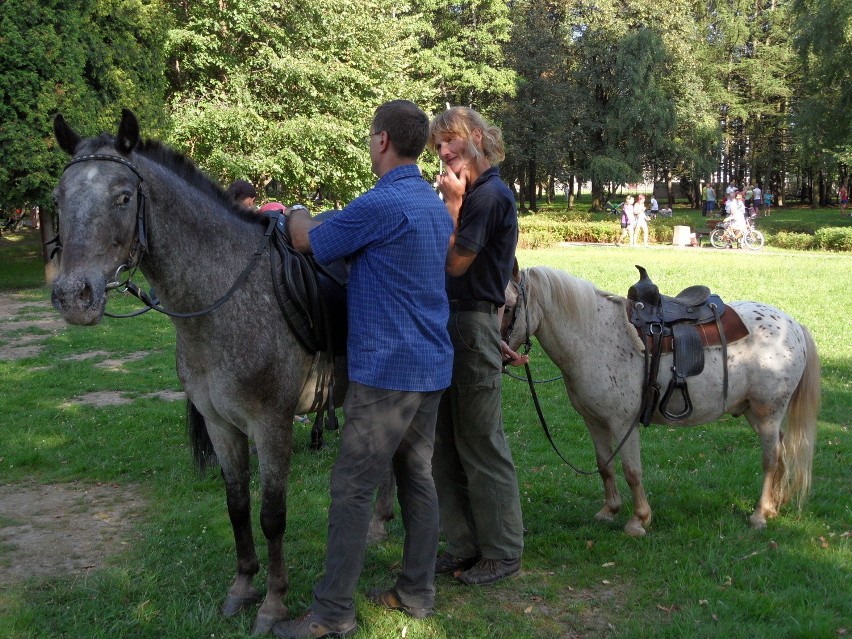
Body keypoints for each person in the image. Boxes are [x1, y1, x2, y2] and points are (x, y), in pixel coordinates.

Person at [272, 100, 454, 639]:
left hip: (387, 372)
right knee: (417, 479)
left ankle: (331, 615)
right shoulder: (429, 203)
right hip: (430, 366)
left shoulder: (381, 203)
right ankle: (417, 593)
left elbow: (307, 241)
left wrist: (294, 212)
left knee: (352, 488)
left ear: (381, 141)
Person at [428, 106, 526, 586]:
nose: (444, 153)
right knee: (445, 444)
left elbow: (457, 266)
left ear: (478, 139)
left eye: (451, 142)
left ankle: (503, 551)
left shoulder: (486, 197)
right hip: (456, 324)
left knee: (481, 441)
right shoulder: (475, 194)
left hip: (469, 324)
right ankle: (464, 546)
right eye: (439, 146)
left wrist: (450, 207)